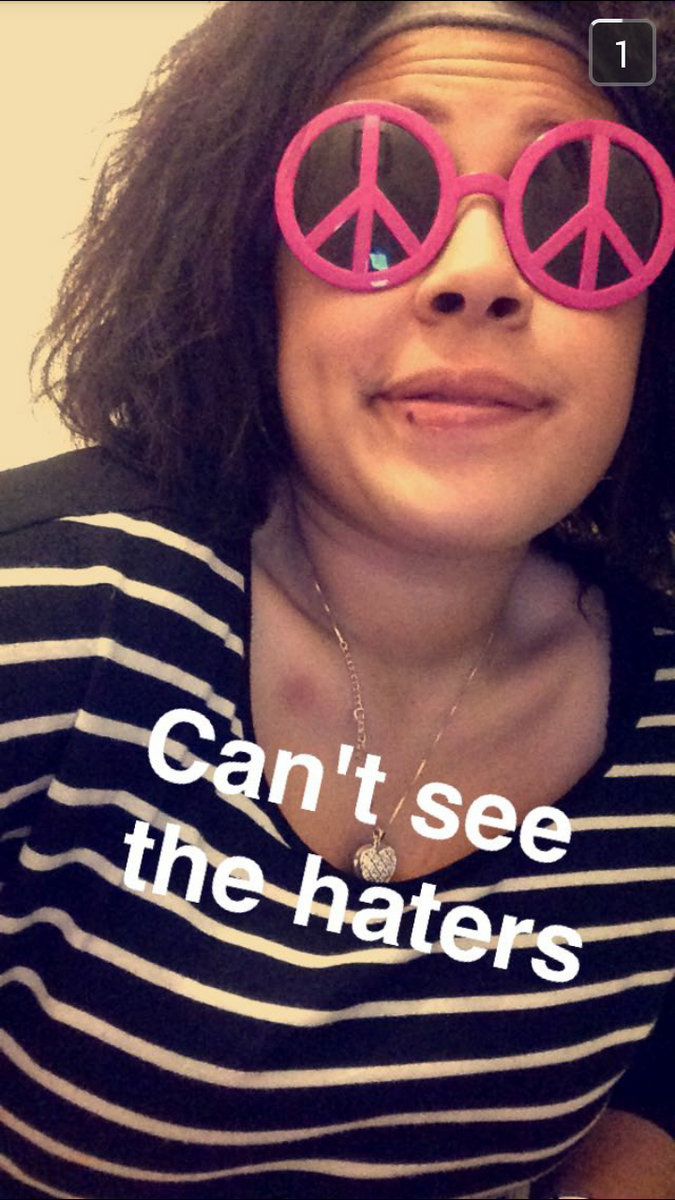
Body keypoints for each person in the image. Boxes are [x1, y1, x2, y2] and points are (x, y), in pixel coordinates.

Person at [1, 1, 674, 1197]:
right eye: (373, 189)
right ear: (247, 273)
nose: (479, 274)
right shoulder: (44, 610)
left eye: (581, 207)